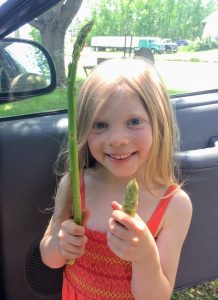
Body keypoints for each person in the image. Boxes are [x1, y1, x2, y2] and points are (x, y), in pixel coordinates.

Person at [40, 57, 192, 300]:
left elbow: (156, 296)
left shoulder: (174, 204)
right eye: (100, 125)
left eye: (133, 122)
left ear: (158, 123)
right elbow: (50, 258)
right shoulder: (74, 185)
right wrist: (60, 244)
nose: (117, 139)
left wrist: (144, 257)